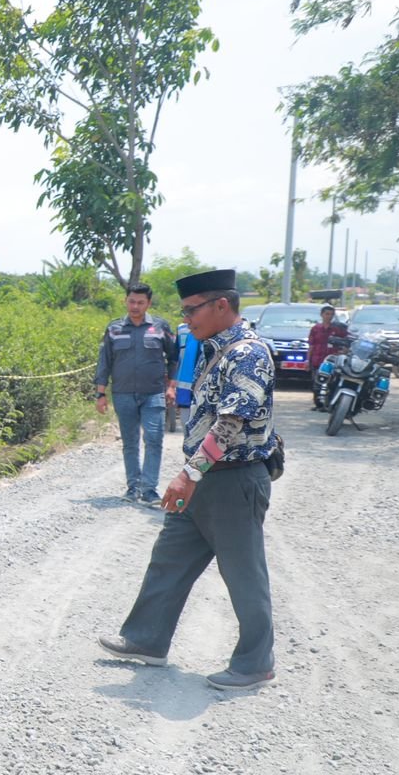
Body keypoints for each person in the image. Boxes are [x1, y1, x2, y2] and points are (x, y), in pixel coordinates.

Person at [99, 268, 279, 691]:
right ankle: (146, 640)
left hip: (230, 480)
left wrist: (189, 474)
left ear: (221, 305)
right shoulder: (214, 348)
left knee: (243, 573)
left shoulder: (246, 352)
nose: (186, 321)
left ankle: (256, 662)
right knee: (169, 560)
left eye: (191, 311)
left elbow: (232, 421)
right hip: (203, 479)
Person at [93, 283, 179, 503]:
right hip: (123, 395)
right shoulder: (114, 329)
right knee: (130, 442)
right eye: (132, 301)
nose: (135, 306)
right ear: (125, 301)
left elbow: (174, 358)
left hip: (153, 394)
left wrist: (171, 386)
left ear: (148, 304)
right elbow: (104, 362)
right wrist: (100, 394)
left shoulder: (160, 327)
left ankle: (149, 489)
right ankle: (133, 487)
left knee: (154, 439)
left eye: (140, 302)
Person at [308, 304, 349, 410]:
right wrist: (307, 361)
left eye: (331, 314)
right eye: (327, 314)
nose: (329, 316)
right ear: (322, 315)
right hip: (317, 360)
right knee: (317, 383)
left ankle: (329, 404)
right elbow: (311, 345)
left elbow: (346, 342)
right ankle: (318, 404)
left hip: (333, 360)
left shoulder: (338, 329)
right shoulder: (316, 329)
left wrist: (343, 352)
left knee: (331, 383)